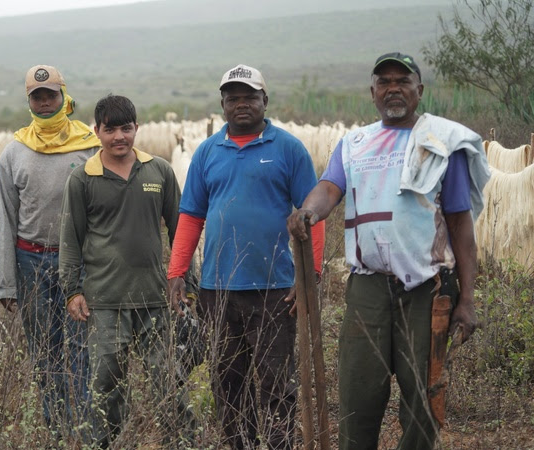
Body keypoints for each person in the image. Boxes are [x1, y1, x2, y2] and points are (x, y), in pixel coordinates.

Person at [287, 52, 490, 449]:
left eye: (402, 81)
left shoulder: (442, 143)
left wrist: (467, 299)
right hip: (368, 288)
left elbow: (460, 225)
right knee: (357, 394)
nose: (393, 88)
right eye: (384, 82)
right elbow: (329, 188)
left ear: (419, 90)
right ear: (372, 92)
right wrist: (308, 211)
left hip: (427, 289)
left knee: (424, 396)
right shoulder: (355, 144)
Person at [167, 64, 324, 449]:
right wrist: (177, 272)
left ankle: (279, 445)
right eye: (232, 98)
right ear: (222, 104)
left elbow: (312, 214)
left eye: (249, 97)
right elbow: (191, 216)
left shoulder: (288, 148)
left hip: (275, 290)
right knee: (227, 382)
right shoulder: (207, 152)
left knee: (276, 383)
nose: (241, 104)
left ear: (264, 100)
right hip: (217, 290)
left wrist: (311, 276)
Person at [59, 94, 195, 448]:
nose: (119, 137)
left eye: (125, 128)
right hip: (105, 301)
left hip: (154, 299)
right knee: (106, 385)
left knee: (168, 380)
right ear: (97, 132)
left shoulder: (159, 171)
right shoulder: (82, 178)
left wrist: (185, 280)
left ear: (136, 128)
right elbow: (70, 239)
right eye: (110, 130)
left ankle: (182, 442)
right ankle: (107, 443)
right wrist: (72, 290)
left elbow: (180, 230)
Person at [0, 64, 99, 438]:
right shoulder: (14, 152)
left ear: (63, 96)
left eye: (50, 95)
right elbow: (5, 218)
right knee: (45, 349)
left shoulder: (89, 144)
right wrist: (6, 283)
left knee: (83, 347)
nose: (44, 102)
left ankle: (86, 429)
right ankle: (57, 428)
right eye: (36, 97)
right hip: (31, 261)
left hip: (79, 262)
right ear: (29, 101)